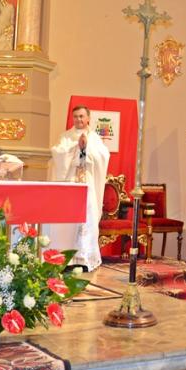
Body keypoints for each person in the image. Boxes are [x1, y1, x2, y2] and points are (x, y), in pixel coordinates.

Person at [44, 106, 110, 272]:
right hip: (70, 183)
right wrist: (75, 147)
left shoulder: (95, 138)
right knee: (68, 221)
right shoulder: (66, 136)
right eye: (75, 116)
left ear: (88, 118)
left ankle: (84, 258)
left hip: (87, 185)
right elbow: (57, 153)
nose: (78, 119)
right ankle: (66, 258)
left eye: (81, 116)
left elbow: (103, 156)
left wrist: (86, 149)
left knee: (88, 219)